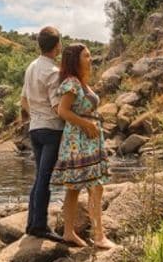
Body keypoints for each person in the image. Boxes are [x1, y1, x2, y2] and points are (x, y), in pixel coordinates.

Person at [51, 43, 114, 249]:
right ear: (75, 60)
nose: (91, 59)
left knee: (75, 188)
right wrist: (87, 123)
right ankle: (99, 236)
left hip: (86, 139)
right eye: (86, 56)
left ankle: (70, 233)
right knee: (94, 186)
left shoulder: (80, 82)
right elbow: (63, 111)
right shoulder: (71, 83)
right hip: (80, 140)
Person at [20, 26, 67, 241]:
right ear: (56, 46)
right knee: (44, 179)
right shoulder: (53, 72)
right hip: (51, 130)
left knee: (39, 177)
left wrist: (35, 116)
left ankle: (32, 224)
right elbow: (58, 108)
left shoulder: (31, 67)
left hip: (35, 128)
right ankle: (39, 226)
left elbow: (23, 101)